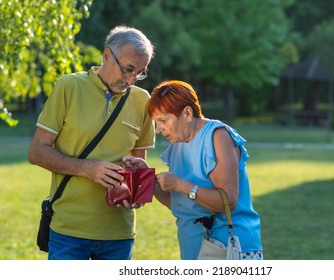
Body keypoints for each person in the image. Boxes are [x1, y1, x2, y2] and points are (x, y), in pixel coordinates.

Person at [28, 25, 155, 260]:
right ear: (107, 55)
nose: (131, 79)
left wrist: (137, 191)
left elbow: (138, 166)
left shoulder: (142, 101)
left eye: (139, 72)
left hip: (119, 234)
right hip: (69, 231)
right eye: (127, 69)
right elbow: (37, 152)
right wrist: (87, 169)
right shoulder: (69, 86)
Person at [125, 80, 263, 260]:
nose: (158, 130)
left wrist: (180, 184)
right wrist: (149, 178)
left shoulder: (218, 136)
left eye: (163, 121)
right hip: (194, 248)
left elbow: (228, 202)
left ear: (187, 113)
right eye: (156, 123)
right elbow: (179, 204)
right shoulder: (178, 144)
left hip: (229, 248)